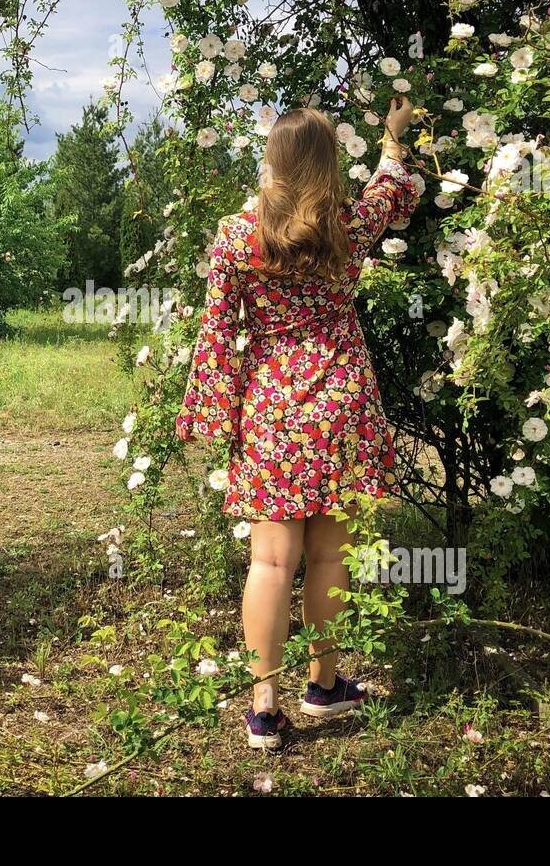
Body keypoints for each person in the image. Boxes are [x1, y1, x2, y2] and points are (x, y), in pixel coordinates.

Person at [175, 98, 421, 750]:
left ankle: (263, 707)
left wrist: (213, 409)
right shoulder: (347, 226)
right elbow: (393, 193)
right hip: (339, 407)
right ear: (327, 163)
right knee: (329, 555)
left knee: (270, 560)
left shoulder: (236, 236)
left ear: (273, 163)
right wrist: (392, 139)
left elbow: (218, 333)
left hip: (271, 416)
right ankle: (323, 685)